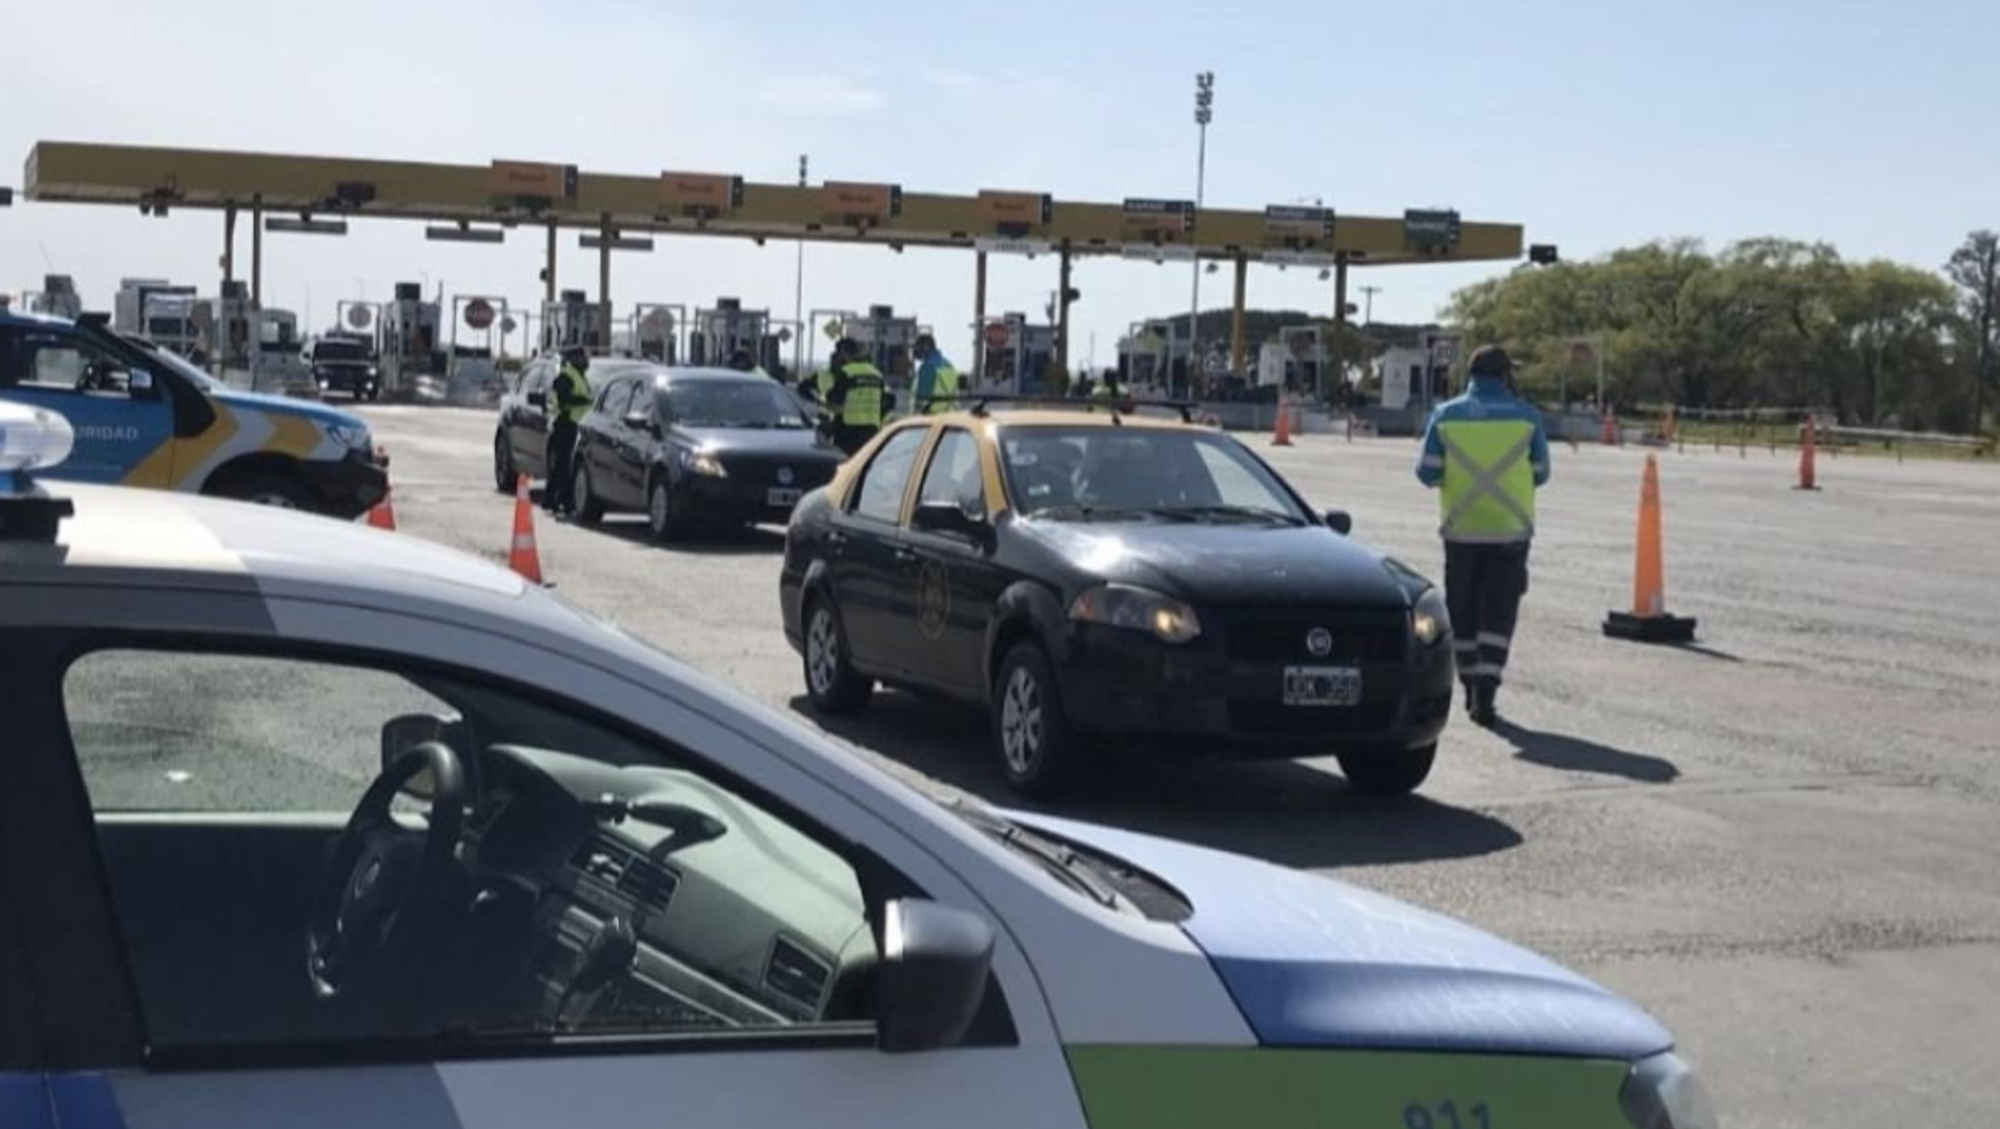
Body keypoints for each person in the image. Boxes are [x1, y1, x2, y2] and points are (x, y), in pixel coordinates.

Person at [1416, 345, 1551, 727]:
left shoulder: (1445, 415)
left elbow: (1427, 472)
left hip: (1461, 530)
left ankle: (1469, 682)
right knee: (1499, 609)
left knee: (1462, 608)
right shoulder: (1527, 418)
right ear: (1505, 375)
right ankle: (1487, 691)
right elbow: (1541, 471)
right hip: (1510, 530)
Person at [544, 346, 594, 518]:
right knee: (564, 466)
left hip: (577, 425)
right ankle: (563, 502)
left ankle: (552, 499)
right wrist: (585, 400)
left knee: (563, 465)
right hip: (566, 424)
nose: (585, 360)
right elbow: (564, 400)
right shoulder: (566, 375)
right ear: (573, 359)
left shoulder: (580, 376)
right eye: (581, 357)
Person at [825, 338, 888, 454]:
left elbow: (835, 402)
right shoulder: (877, 374)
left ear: (844, 353)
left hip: (848, 431)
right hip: (871, 430)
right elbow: (885, 401)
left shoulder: (847, 372)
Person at [911, 334, 960, 414]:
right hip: (949, 417)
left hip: (930, 417)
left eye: (918, 346)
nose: (916, 350)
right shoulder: (950, 366)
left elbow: (922, 400)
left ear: (926, 346)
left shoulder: (927, 367)